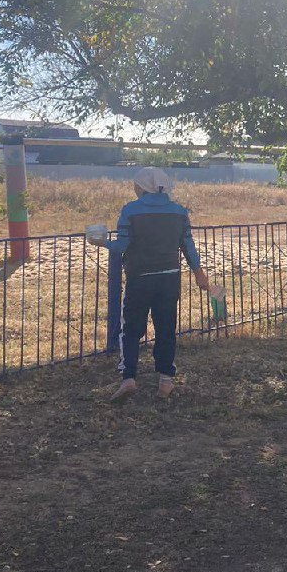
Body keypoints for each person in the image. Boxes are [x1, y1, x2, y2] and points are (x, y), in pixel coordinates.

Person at [90, 167, 209, 402]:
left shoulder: (130, 211)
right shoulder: (179, 212)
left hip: (140, 277)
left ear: (142, 188)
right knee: (166, 327)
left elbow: (121, 246)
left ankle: (129, 377)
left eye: (136, 185)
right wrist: (199, 273)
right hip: (170, 277)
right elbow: (188, 246)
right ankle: (166, 380)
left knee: (131, 329)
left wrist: (102, 243)